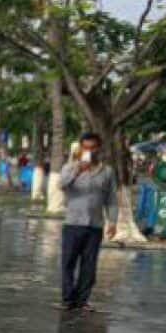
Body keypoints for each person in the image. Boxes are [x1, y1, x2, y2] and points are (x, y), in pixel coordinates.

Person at [57, 132, 117, 312]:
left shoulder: (107, 172)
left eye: (93, 147)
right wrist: (78, 171)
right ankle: (68, 300)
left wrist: (113, 222)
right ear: (80, 148)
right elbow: (61, 185)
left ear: (99, 149)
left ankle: (82, 300)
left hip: (95, 225)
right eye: (86, 147)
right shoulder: (69, 167)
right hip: (73, 224)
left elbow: (111, 199)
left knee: (89, 265)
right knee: (68, 263)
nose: (89, 151)